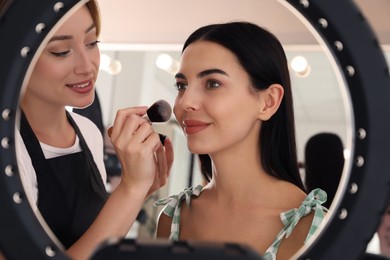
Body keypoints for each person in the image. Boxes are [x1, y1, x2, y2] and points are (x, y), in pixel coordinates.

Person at [13, 1, 173, 259]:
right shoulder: (10, 149)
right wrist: (130, 189)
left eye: (91, 42)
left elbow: (92, 232)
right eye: (61, 51)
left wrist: (139, 189)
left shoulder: (87, 130)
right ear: (12, 56)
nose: (87, 66)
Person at [155, 21, 327, 259]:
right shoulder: (173, 217)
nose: (184, 103)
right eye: (181, 85)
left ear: (268, 102)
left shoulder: (315, 228)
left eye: (212, 83)